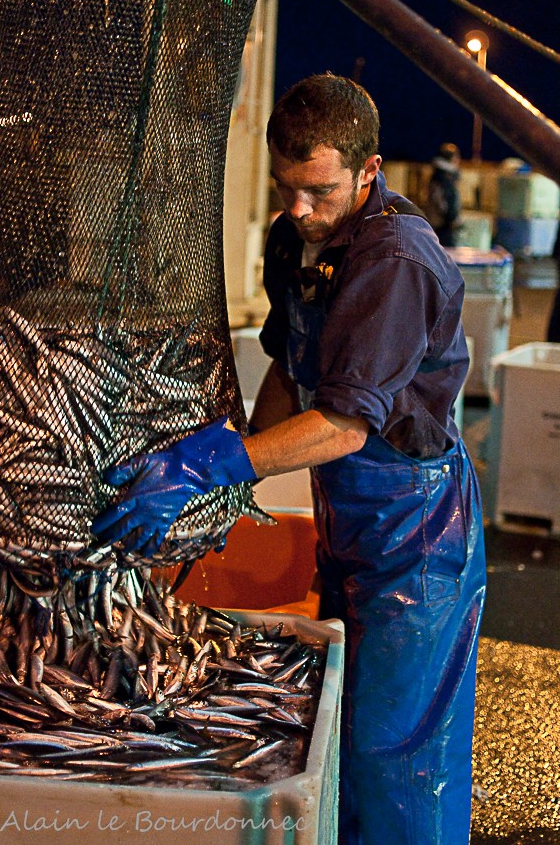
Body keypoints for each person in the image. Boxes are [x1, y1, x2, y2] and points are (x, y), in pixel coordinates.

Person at [92, 74, 487, 845]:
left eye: (321, 191)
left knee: (396, 752)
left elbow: (342, 424)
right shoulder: (294, 238)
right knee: (334, 728)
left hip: (420, 531)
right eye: (286, 188)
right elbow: (289, 366)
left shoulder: (396, 261)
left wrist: (220, 464)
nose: (300, 210)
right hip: (353, 519)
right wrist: (238, 469)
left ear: (370, 172)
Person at [425, 141, 462, 247]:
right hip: (443, 227)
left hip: (437, 225)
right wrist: (453, 219)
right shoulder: (445, 177)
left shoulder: (438, 174)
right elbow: (447, 202)